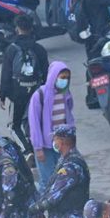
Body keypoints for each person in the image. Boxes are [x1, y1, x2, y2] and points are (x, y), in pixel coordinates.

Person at [0, 14, 49, 154]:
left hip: (17, 93)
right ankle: (38, 145)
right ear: (31, 28)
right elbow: (46, 72)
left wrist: (2, 95)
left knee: (14, 125)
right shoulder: (39, 49)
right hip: (36, 91)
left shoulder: (11, 49)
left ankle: (27, 150)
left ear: (17, 28)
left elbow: (6, 74)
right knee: (34, 120)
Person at [27, 62, 75, 190]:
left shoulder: (65, 94)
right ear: (54, 76)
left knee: (65, 179)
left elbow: (69, 118)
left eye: (67, 78)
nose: (64, 81)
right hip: (46, 147)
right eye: (62, 77)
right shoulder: (40, 95)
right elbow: (34, 124)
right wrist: (38, 148)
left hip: (64, 144)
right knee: (47, 182)